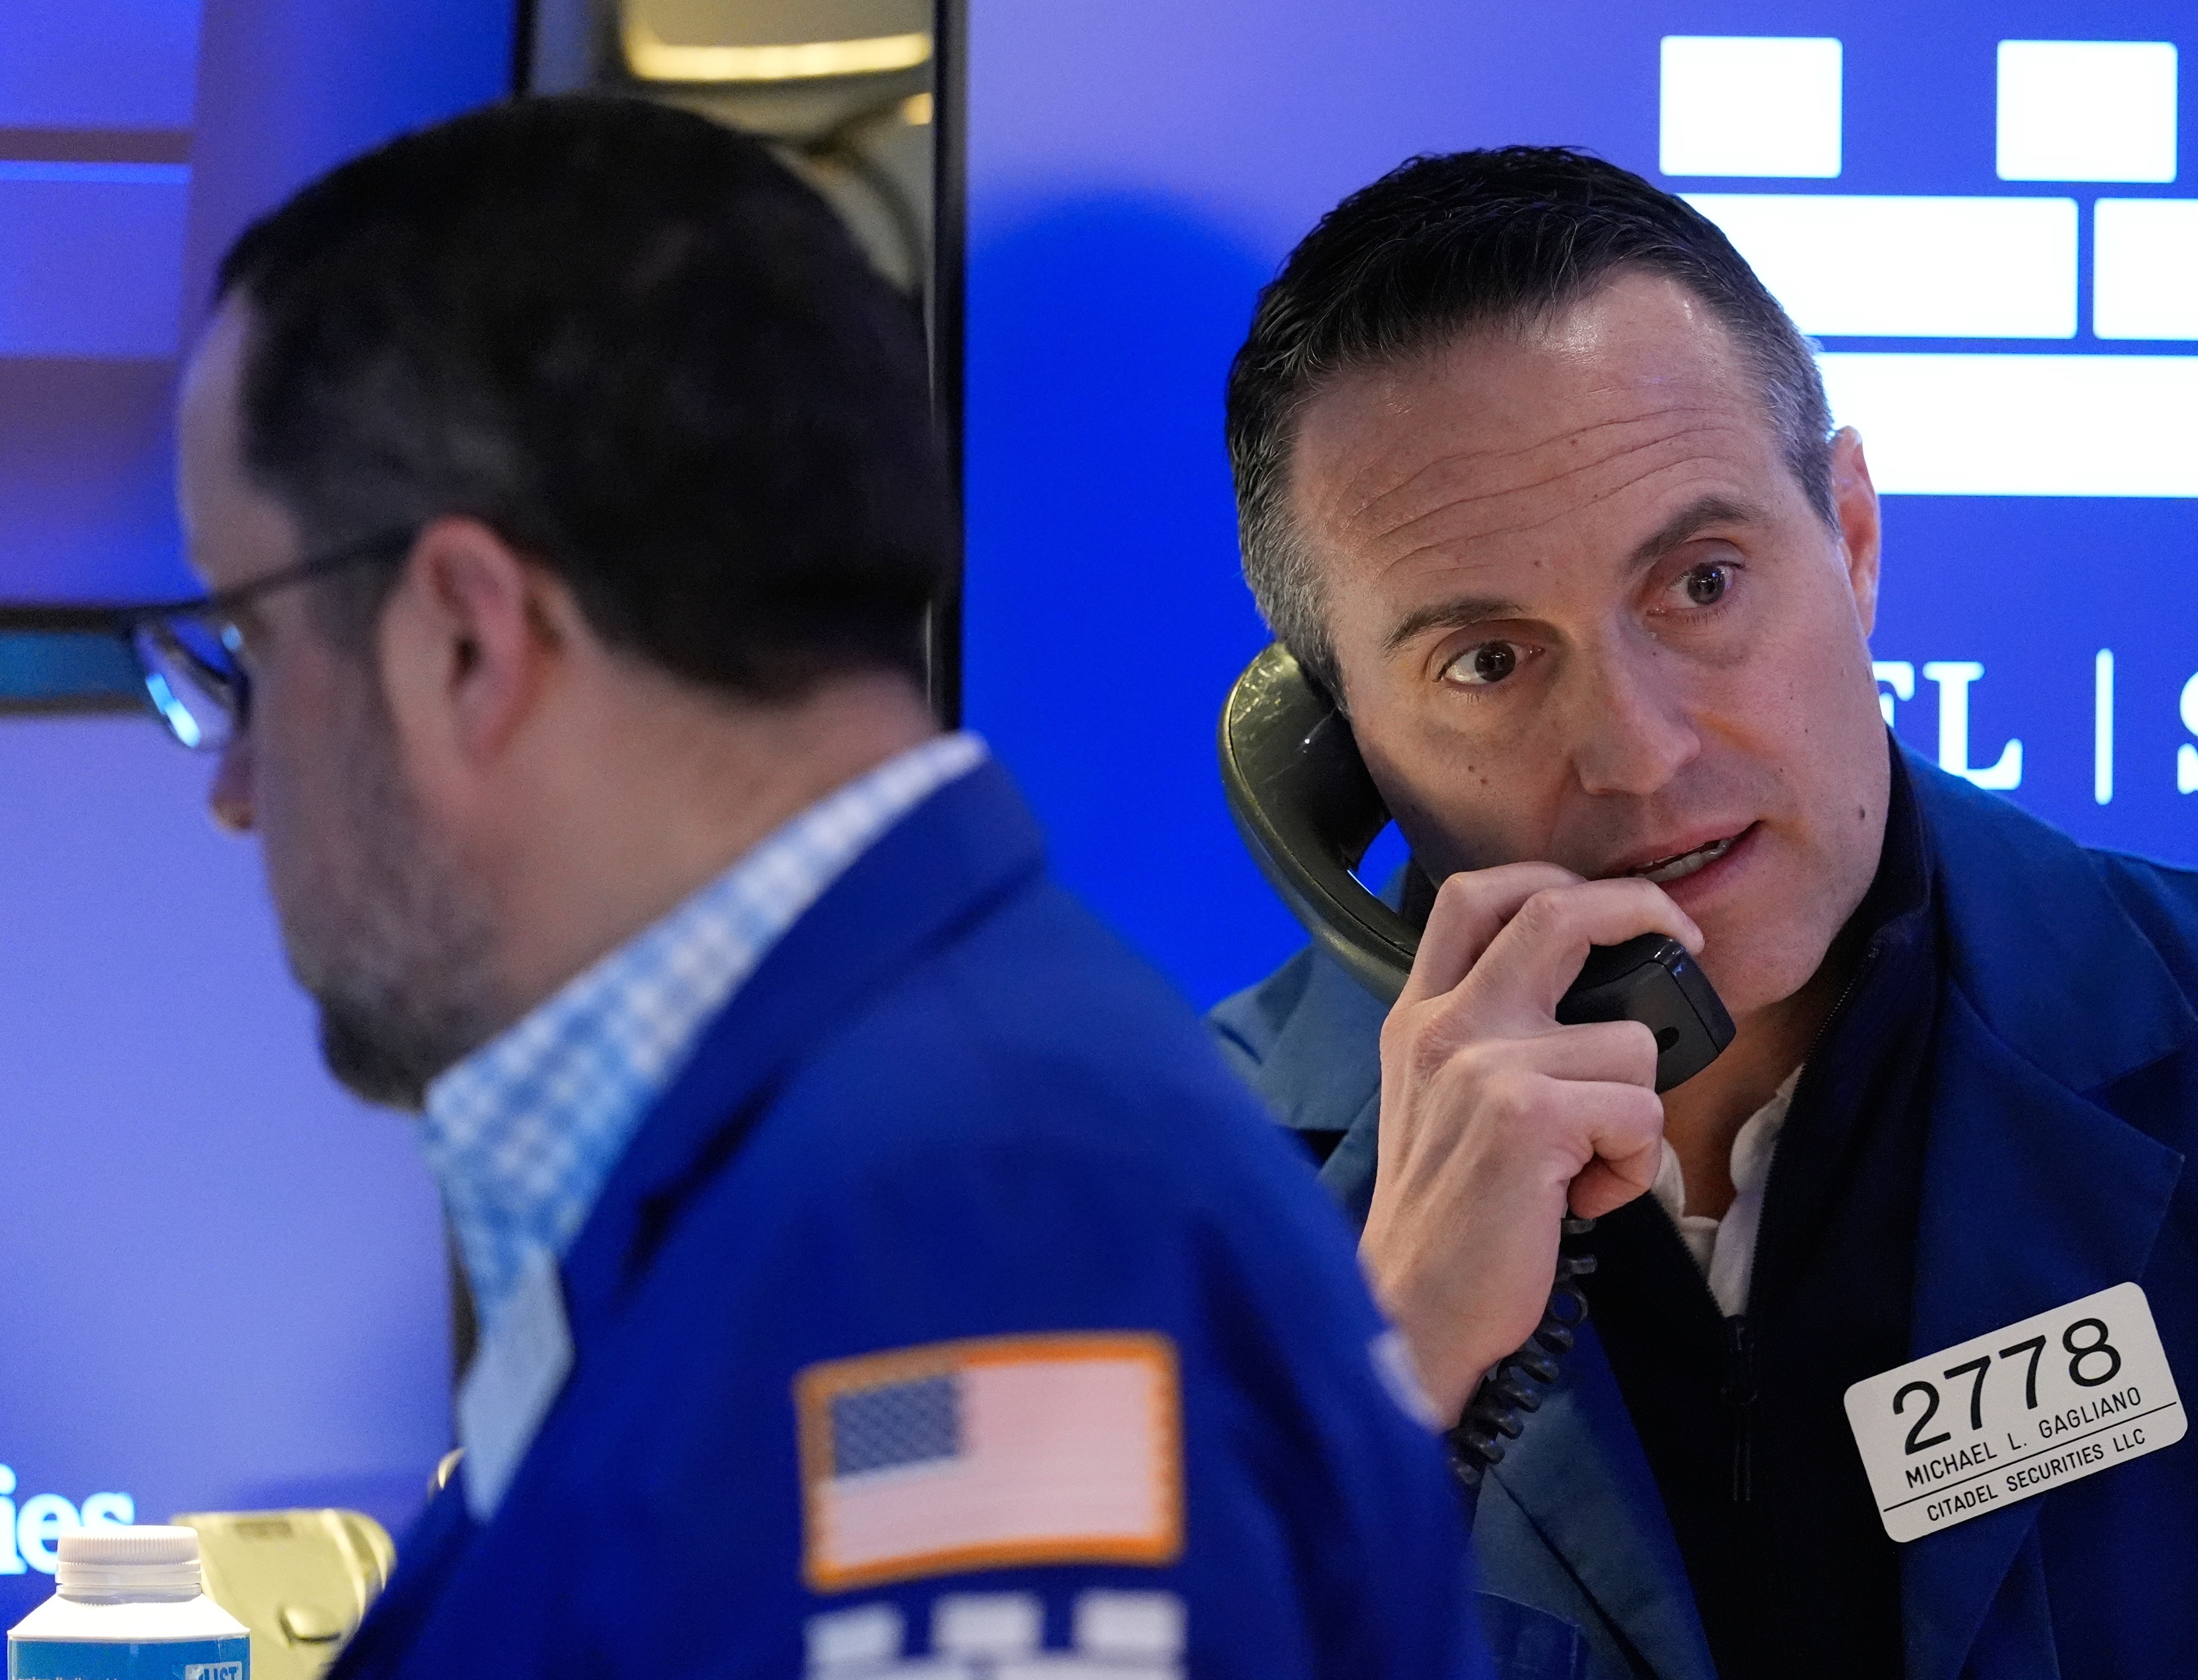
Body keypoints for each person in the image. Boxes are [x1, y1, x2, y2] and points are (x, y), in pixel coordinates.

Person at [149, 96, 1491, 1678]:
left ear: (464, 635)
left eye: (245, 650)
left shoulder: (968, 1238)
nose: (233, 786)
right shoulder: (850, 1169)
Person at [1209, 146, 2198, 1679]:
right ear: (1340, 746)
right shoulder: (1162, 1193)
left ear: (1853, 535)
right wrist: (1385, 1385)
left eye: (1699, 583)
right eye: (1488, 662)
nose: (1639, 752)